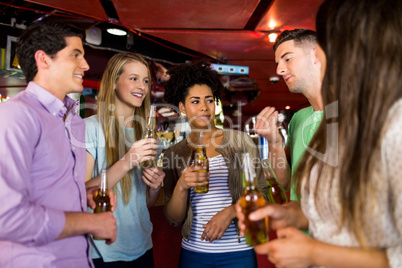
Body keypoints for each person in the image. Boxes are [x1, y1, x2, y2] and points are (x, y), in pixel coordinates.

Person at [236, 0, 402, 267]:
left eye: (328, 41)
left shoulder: (389, 121)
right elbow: (340, 209)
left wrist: (315, 252)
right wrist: (295, 216)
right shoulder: (328, 118)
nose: (279, 69)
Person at [0, 22, 117, 267]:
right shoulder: (16, 116)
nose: (85, 65)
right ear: (43, 60)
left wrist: (82, 196)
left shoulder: (74, 122)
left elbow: (47, 188)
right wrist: (91, 222)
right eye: (76, 55)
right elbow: (6, 217)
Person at [162, 61, 269, 268]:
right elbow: (174, 218)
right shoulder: (173, 153)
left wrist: (230, 212)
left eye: (209, 100)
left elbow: (263, 194)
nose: (204, 107)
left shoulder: (240, 142)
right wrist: (182, 185)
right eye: (195, 101)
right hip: (194, 254)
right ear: (182, 107)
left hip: (238, 253)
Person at [84, 52, 164, 267]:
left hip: (142, 246)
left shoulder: (147, 136)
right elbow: (79, 192)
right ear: (113, 82)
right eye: (134, 78)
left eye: (146, 80)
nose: (142, 86)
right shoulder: (90, 128)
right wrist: (128, 161)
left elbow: (144, 202)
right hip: (102, 250)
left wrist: (155, 186)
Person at [255, 29, 325, 202]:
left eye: (287, 58)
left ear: (317, 55)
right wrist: (274, 143)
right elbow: (284, 183)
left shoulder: (356, 113)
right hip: (298, 230)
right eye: (278, 63)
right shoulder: (298, 118)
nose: (279, 70)